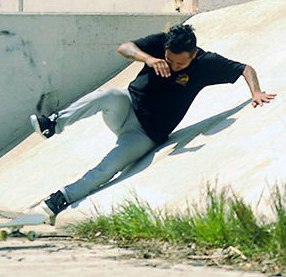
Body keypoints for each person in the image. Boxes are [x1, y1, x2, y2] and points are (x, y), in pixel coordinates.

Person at [29, 24, 276, 223]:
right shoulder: (161, 43)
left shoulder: (207, 64)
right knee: (107, 95)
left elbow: (246, 69)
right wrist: (148, 59)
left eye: (180, 63)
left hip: (144, 135)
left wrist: (256, 92)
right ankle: (53, 124)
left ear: (194, 54)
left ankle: (60, 198)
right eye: (169, 61)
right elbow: (124, 48)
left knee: (110, 166)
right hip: (126, 106)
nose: (173, 66)